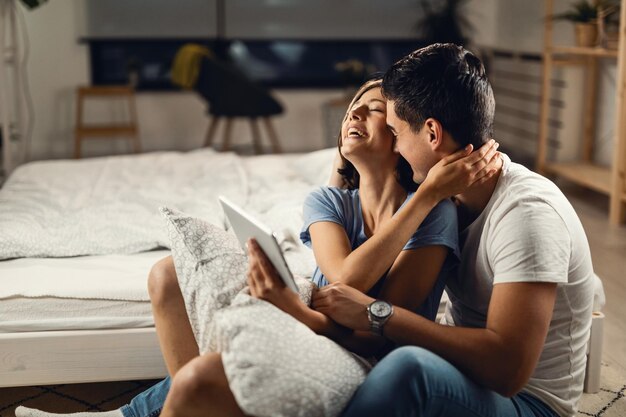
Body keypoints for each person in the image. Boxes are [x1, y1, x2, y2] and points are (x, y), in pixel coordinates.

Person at [15, 77, 475, 417]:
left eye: (373, 109)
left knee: (201, 376)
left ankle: (144, 411)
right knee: (167, 274)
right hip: (311, 315)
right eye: (353, 106)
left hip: (358, 349)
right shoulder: (329, 199)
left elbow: (379, 328)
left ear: (401, 135)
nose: (354, 113)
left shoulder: (433, 212)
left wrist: (428, 194)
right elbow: (340, 281)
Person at [311, 43, 594, 417]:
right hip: (467, 375)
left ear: (432, 134)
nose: (394, 145)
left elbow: (507, 372)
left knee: (409, 369)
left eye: (395, 133)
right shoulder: (445, 197)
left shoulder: (527, 214)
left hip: (527, 401)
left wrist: (378, 314)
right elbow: (351, 204)